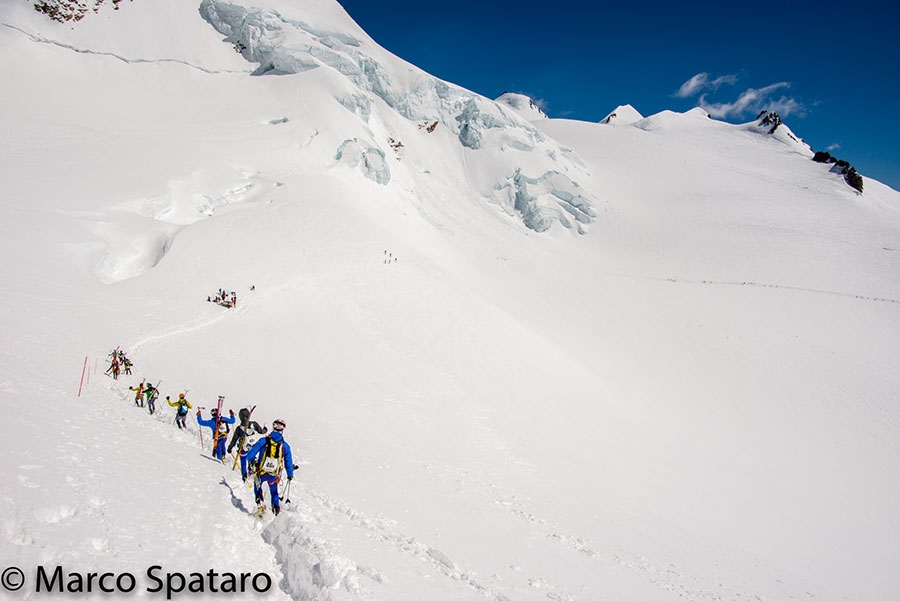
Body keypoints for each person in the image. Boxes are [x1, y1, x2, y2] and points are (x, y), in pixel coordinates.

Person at [246, 419, 294, 516]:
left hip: (260, 472)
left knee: (257, 487)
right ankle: (276, 512)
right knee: (274, 492)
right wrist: (290, 475)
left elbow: (250, 455)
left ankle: (260, 505)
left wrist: (253, 462)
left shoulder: (263, 441)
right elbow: (288, 462)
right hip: (273, 474)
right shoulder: (285, 446)